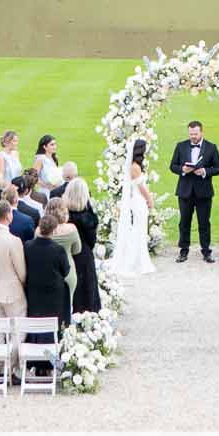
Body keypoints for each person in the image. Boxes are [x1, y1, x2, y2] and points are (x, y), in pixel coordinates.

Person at [168, 119, 219, 263]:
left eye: (195, 134)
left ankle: (206, 251)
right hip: (185, 191)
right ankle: (183, 251)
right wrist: (182, 170)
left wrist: (205, 171)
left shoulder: (211, 147)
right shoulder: (181, 146)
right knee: (184, 222)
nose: (193, 136)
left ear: (201, 132)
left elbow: (218, 168)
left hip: (203, 192)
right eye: (191, 134)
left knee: (204, 223)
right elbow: (173, 166)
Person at [109, 137, 156, 277]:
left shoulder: (135, 165)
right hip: (138, 200)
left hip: (137, 200)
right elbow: (141, 186)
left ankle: (138, 258)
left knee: (139, 229)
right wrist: (149, 199)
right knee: (138, 229)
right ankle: (136, 261)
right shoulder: (134, 167)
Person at [25, 208, 73, 330]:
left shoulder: (28, 246)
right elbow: (66, 270)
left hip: (34, 289)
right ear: (54, 230)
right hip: (53, 292)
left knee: (36, 321)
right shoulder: (58, 249)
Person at [62, 178, 101, 311]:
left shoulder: (64, 216)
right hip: (83, 255)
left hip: (67, 254)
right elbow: (92, 241)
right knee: (86, 289)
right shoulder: (88, 218)